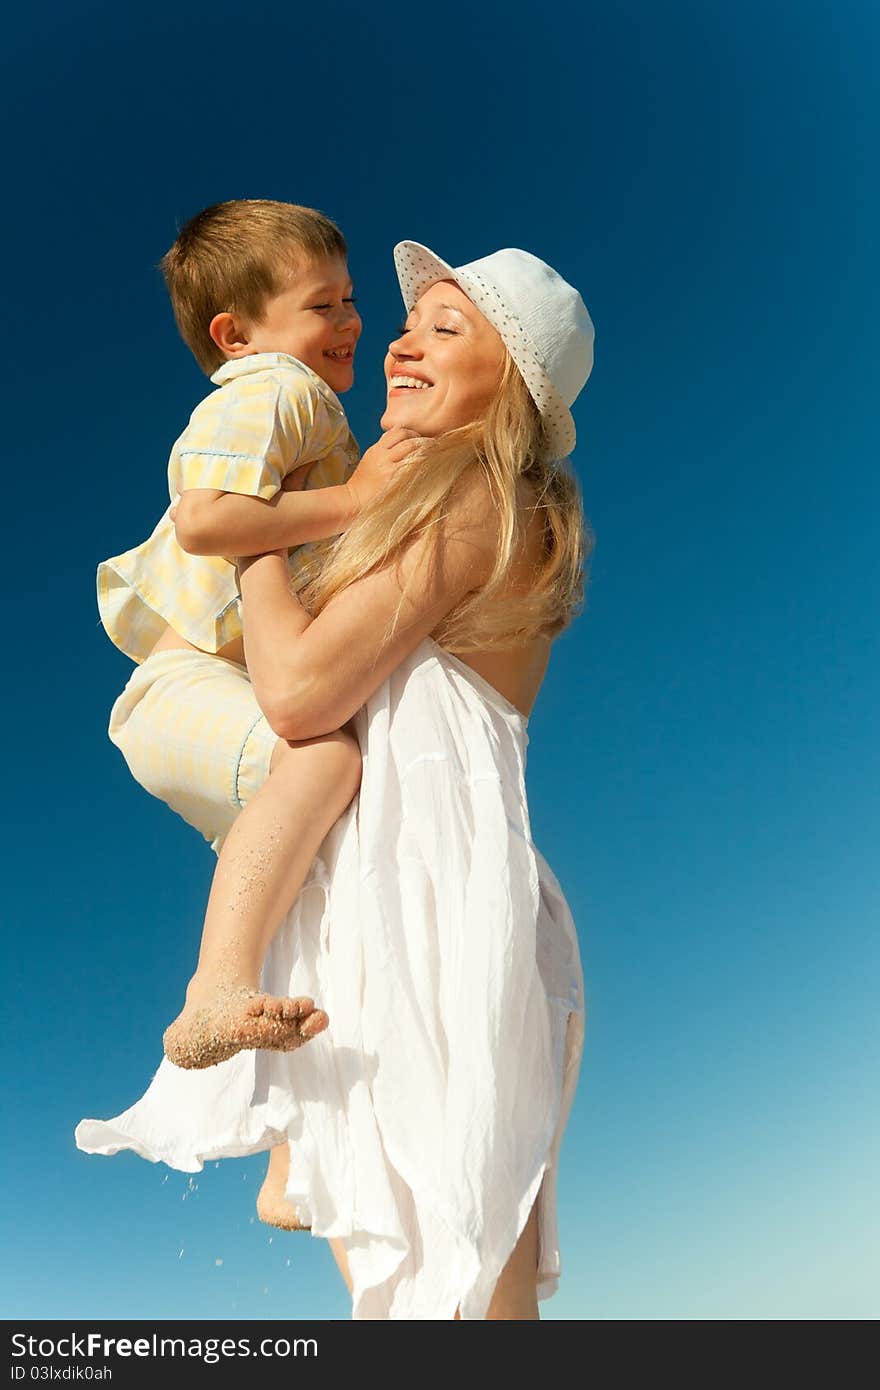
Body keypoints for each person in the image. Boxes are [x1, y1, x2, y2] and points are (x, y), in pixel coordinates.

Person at [77, 239, 595, 1320]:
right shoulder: (471, 502)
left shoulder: (480, 495)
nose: (402, 339)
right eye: (409, 322)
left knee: (440, 1263)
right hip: (424, 880)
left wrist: (253, 538)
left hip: (432, 894)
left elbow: (303, 691)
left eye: (445, 329)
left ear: (517, 385)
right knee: (455, 1259)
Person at [98, 199, 413, 1072]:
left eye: (350, 299)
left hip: (215, 694)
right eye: (323, 305)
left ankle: (284, 1140)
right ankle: (212, 994)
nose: (351, 321)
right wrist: (358, 500)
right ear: (237, 335)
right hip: (179, 689)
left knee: (298, 880)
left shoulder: (314, 414)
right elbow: (204, 518)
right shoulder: (276, 388)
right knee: (328, 763)